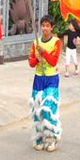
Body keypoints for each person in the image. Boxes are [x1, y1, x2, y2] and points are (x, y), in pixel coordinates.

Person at [29, 16, 62, 152]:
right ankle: (39, 138)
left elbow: (53, 61)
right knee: (37, 111)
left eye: (47, 25)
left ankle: (51, 140)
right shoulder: (35, 42)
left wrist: (44, 52)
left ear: (51, 28)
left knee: (48, 110)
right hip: (38, 79)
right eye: (43, 25)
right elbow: (31, 63)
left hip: (51, 79)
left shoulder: (56, 42)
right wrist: (36, 58)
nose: (45, 28)